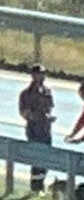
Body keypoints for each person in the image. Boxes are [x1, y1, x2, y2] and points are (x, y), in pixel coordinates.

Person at [17, 65, 54, 193]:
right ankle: (35, 187)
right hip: (34, 130)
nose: (41, 76)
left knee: (46, 158)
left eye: (43, 74)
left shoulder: (47, 92)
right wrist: (34, 116)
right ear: (33, 75)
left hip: (46, 129)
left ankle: (41, 184)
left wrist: (48, 117)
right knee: (36, 158)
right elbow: (24, 112)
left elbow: (50, 107)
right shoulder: (26, 94)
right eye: (39, 74)